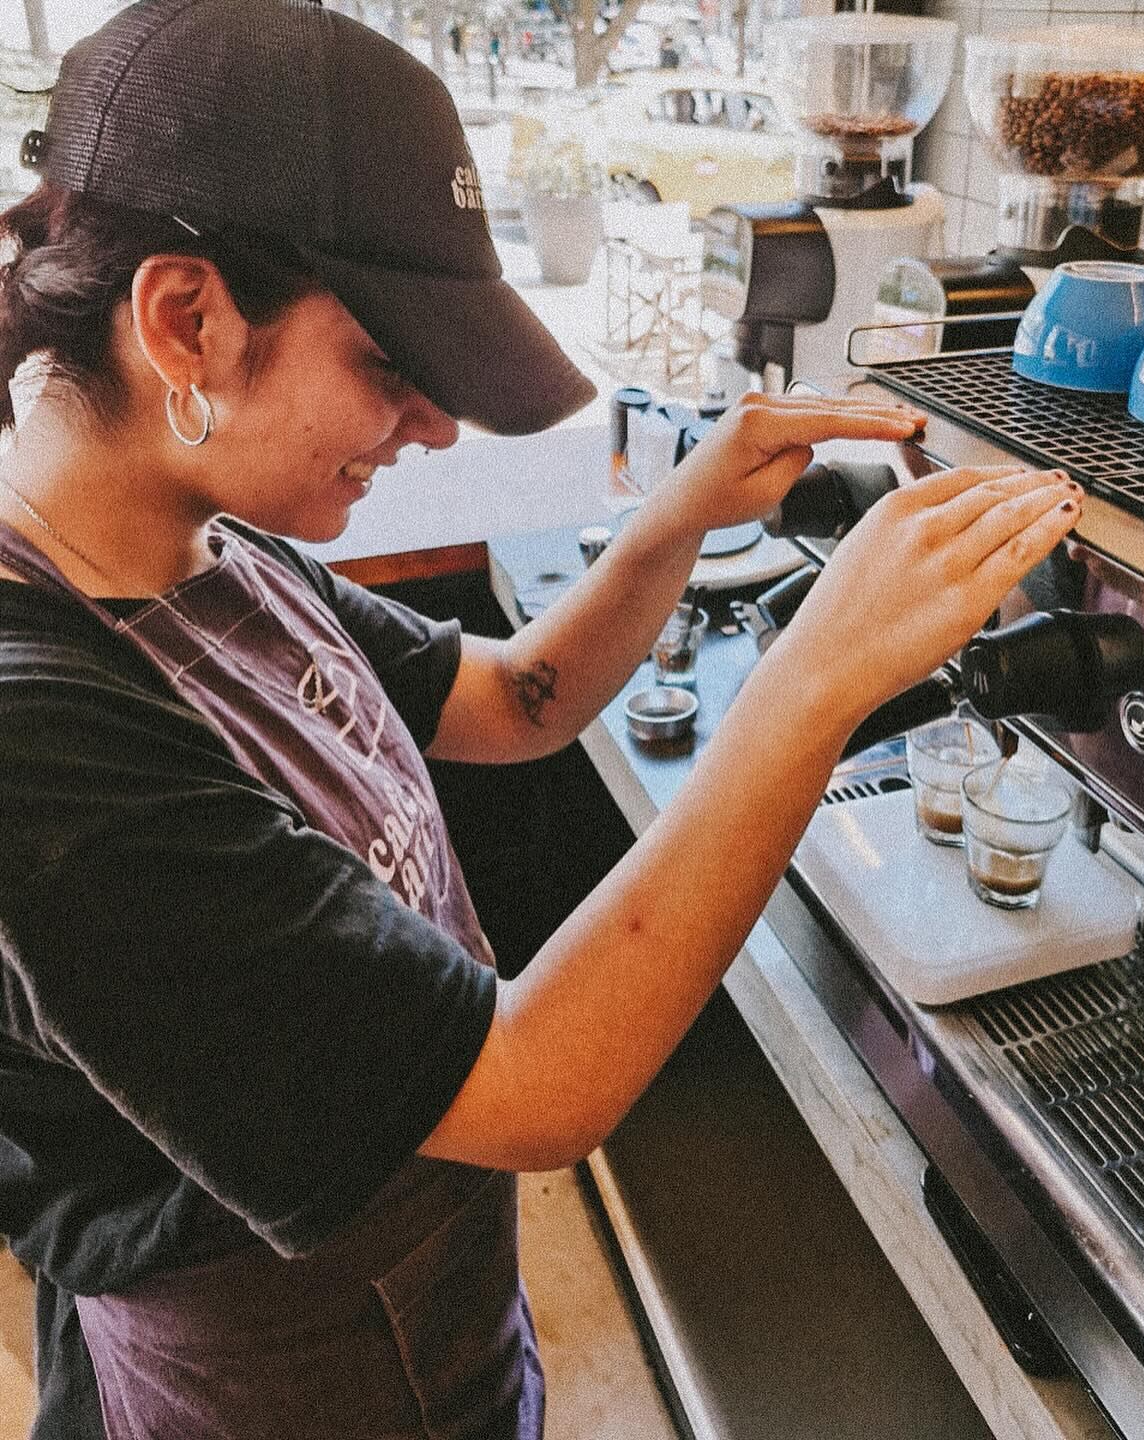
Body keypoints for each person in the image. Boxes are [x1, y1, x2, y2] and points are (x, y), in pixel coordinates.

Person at [0, 3, 1081, 1438]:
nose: (437, 427)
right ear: (186, 319)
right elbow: (530, 1086)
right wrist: (819, 678)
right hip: (273, 1389)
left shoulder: (212, 547)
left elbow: (513, 703)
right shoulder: (42, 743)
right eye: (393, 366)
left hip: (436, 1320)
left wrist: (679, 515)